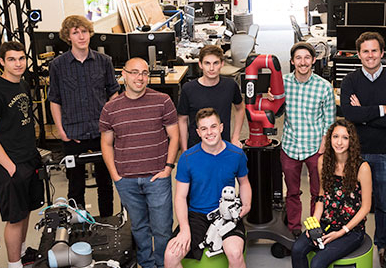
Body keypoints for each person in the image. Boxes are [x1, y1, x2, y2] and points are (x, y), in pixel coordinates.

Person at [100, 58, 179, 268]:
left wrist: (168, 168)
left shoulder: (163, 101)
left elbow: (175, 136)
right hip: (126, 179)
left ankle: (163, 264)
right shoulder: (111, 108)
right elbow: (106, 144)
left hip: (157, 178)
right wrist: (116, 176)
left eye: (144, 73)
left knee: (162, 228)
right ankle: (146, 263)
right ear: (123, 75)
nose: (140, 78)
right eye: (134, 72)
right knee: (139, 228)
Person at [339, 32, 386, 253]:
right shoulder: (350, 81)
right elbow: (349, 115)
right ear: (358, 54)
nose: (370, 55)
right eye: (365, 51)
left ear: (382, 53)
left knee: (384, 204)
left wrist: (364, 114)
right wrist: (380, 110)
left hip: (383, 152)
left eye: (374, 50)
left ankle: (382, 243)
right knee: (352, 201)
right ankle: (352, 240)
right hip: (356, 153)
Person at [0, 41, 44, 268]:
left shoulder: (23, 85)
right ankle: (14, 264)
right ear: (1, 62)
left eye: (21, 58)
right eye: (12, 59)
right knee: (15, 218)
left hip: (27, 158)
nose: (18, 64)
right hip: (10, 165)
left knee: (25, 211)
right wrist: (10, 167)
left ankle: (23, 252)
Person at [48, 15, 119, 217]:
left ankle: (107, 222)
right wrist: (61, 131)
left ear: (90, 33)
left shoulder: (104, 62)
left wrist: (109, 121)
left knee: (105, 183)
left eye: (84, 31)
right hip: (73, 134)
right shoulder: (58, 66)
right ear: (68, 37)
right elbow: (55, 100)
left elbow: (113, 92)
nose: (81, 36)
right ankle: (78, 226)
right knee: (75, 186)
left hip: (101, 133)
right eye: (75, 32)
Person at [164, 108, 252, 268]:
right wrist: (184, 229)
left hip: (225, 213)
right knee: (170, 256)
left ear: (221, 127)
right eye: (204, 128)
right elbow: (180, 197)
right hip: (197, 215)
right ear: (198, 132)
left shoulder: (236, 154)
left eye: (213, 126)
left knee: (235, 254)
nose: (209, 132)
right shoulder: (187, 158)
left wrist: (247, 204)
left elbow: (244, 182)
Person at [291, 120, 372, 268]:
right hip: (326, 222)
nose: (339, 142)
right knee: (297, 249)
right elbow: (322, 195)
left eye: (345, 138)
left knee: (317, 263)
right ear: (330, 139)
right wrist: (315, 223)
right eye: (335, 137)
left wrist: (341, 232)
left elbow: (366, 207)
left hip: (351, 230)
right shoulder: (323, 161)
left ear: (351, 141)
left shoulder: (363, 168)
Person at [281, 42, 336, 236]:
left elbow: (329, 122)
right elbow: (275, 109)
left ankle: (314, 228)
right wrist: (272, 97)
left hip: (315, 148)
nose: (302, 62)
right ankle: (294, 229)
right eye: (298, 58)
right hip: (290, 145)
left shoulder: (324, 87)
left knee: (317, 192)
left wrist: (324, 146)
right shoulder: (283, 82)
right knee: (292, 192)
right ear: (292, 61)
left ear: (314, 60)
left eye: (307, 58)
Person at [177, 45, 245, 151]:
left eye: (216, 63)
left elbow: (240, 108)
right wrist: (185, 150)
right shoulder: (188, 89)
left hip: (223, 146)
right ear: (200, 64)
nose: (211, 68)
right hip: (196, 147)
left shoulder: (230, 86)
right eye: (207, 63)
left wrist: (235, 137)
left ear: (222, 64)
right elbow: (182, 120)